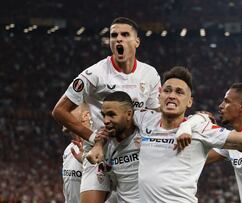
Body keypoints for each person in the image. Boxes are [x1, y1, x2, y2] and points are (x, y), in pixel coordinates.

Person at [89, 66, 242, 202]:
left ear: (189, 101)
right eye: (167, 90)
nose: (171, 95)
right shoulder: (144, 118)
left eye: (179, 92)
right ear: (158, 97)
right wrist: (99, 144)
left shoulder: (217, 130)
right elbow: (116, 118)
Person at [52, 16, 161, 203]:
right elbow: (59, 111)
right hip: (99, 154)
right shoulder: (95, 73)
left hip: (133, 155)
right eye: (114, 35)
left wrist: (187, 122)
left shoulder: (149, 74)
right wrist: (93, 137)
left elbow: (156, 115)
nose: (118, 39)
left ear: (137, 42)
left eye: (125, 34)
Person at [87, 91, 141, 202]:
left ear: (129, 114)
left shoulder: (147, 135)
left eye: (112, 114)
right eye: (104, 115)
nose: (105, 121)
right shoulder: (104, 145)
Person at [62, 103, 90, 203]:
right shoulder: (68, 150)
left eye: (69, 109)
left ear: (85, 116)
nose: (62, 113)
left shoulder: (98, 149)